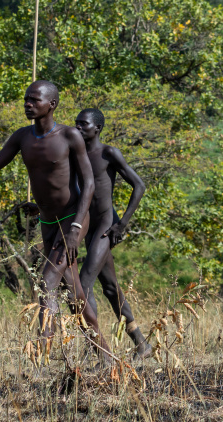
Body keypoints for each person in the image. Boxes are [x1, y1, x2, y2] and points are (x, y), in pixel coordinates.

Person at [0, 81, 112, 361]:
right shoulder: (22, 137)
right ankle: (105, 355)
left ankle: (43, 354)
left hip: (72, 220)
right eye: (25, 99)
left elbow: (89, 185)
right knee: (74, 291)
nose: (27, 104)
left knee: (46, 281)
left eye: (34, 100)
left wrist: (76, 229)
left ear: (51, 104)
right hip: (47, 221)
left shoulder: (70, 136)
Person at [75, 108, 152, 358]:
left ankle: (97, 350)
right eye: (76, 123)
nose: (77, 128)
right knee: (109, 287)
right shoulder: (76, 154)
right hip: (89, 225)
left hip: (107, 225)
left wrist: (123, 224)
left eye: (83, 124)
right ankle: (142, 344)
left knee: (83, 283)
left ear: (97, 128)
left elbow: (139, 185)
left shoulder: (107, 153)